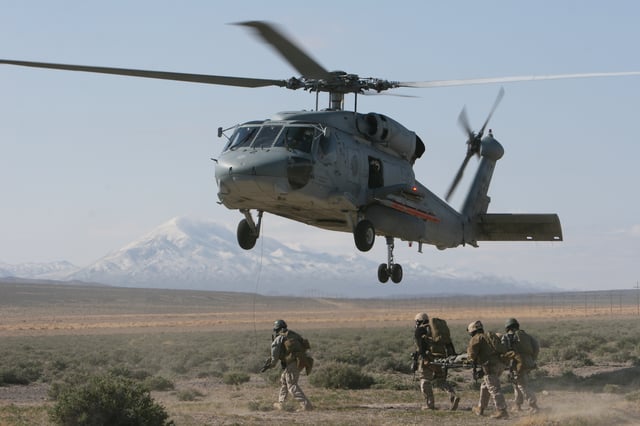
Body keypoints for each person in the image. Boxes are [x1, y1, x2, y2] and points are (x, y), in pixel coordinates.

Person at [413, 312, 460, 411]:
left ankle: (429, 405)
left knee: (425, 380)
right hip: (441, 358)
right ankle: (453, 395)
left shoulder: (420, 330)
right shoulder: (436, 330)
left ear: (417, 321)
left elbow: (420, 346)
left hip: (428, 359)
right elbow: (449, 344)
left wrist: (424, 358)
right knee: (441, 380)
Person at [265, 319, 313, 412]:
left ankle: (307, 406)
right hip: (300, 360)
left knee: (291, 385)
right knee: (284, 380)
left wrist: (271, 365)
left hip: (292, 363)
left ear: (276, 329)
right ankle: (282, 403)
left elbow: (274, 356)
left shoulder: (279, 338)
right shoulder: (292, 335)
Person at [466, 320, 509, 419]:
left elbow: (472, 355)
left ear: (472, 331)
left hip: (490, 366)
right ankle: (480, 408)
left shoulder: (476, 338)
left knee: (493, 388)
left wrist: (469, 359)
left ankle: (502, 411)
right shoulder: (489, 336)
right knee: (485, 385)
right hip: (500, 364)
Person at [501, 318, 540, 414]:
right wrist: (531, 360)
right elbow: (536, 348)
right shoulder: (526, 336)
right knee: (517, 384)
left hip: (517, 364)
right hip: (528, 363)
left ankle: (533, 405)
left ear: (507, 327)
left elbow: (503, 350)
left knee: (522, 385)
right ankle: (517, 405)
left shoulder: (507, 337)